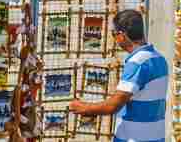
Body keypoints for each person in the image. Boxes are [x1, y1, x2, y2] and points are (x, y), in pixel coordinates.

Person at [69, 10, 167, 142]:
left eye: (113, 35)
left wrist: (85, 108)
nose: (114, 39)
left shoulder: (137, 62)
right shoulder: (159, 58)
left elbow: (114, 105)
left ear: (121, 35)